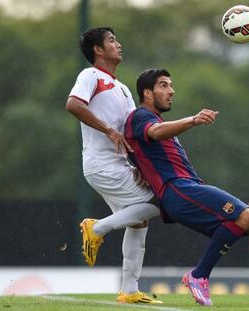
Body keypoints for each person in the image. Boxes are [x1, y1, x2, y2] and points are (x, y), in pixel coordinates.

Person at [124, 68, 249, 307]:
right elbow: (154, 132)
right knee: (244, 214)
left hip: (187, 189)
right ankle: (199, 275)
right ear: (146, 93)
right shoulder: (141, 116)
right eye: (163, 85)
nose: (171, 91)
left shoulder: (156, 121)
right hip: (177, 190)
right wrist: (192, 120)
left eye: (171, 85)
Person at [66, 27, 162, 304]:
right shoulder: (90, 75)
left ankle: (129, 290)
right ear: (98, 49)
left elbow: (131, 133)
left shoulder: (121, 87)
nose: (118, 44)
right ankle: (96, 229)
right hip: (101, 164)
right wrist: (108, 130)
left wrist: (140, 167)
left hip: (119, 164)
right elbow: (73, 104)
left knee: (139, 221)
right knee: (160, 201)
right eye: (111, 40)